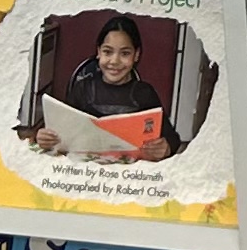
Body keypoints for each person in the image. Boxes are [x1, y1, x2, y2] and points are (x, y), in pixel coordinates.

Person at [28, 16, 176, 164]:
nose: (115, 61)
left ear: (136, 55)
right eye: (107, 52)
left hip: (126, 173)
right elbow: (59, 130)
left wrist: (166, 147)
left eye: (125, 53)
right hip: (86, 169)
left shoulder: (145, 94)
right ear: (98, 52)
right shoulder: (83, 89)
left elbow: (172, 139)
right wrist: (44, 137)